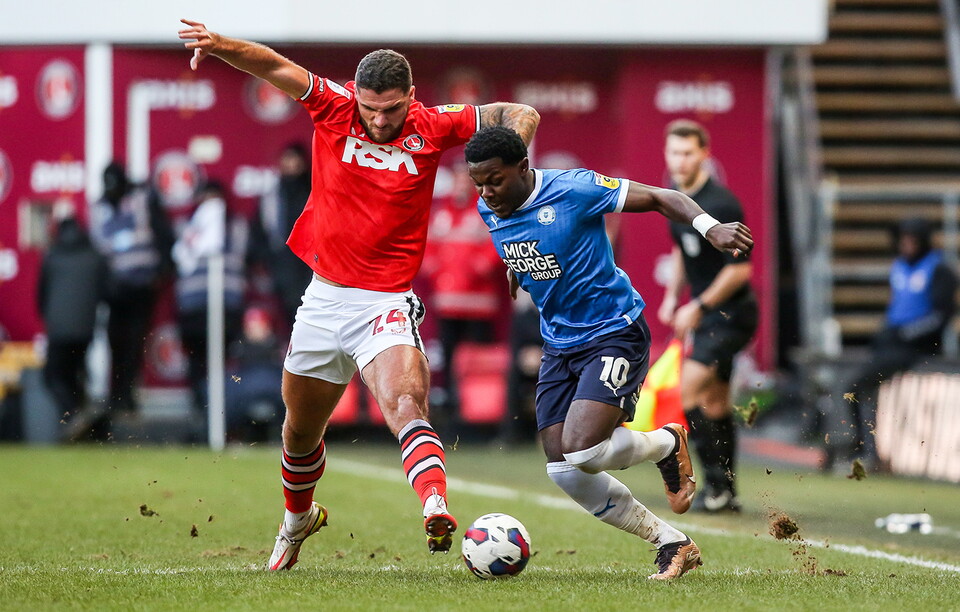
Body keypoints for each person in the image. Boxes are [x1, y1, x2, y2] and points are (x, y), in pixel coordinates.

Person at [178, 19, 540, 569]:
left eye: (391, 109)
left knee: (405, 405)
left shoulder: (436, 123)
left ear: (411, 98)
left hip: (386, 301)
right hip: (323, 298)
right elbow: (274, 66)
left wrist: (509, 177)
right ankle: (297, 520)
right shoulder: (334, 105)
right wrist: (220, 43)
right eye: (370, 107)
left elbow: (522, 115)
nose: (378, 119)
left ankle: (435, 505)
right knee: (299, 431)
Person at [464, 126, 753, 579]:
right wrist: (516, 267)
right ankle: (672, 542)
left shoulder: (574, 189)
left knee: (582, 451)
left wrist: (709, 226)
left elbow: (660, 197)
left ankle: (666, 442)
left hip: (613, 331)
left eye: (495, 180)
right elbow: (519, 244)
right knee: (563, 469)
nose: (486, 192)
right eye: (477, 183)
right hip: (559, 343)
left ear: (523, 168)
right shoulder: (489, 206)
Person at [656, 119, 756, 513]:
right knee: (715, 403)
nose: (679, 160)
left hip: (732, 315)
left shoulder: (722, 203)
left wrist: (697, 305)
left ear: (704, 155)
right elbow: (682, 249)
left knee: (688, 391)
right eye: (673, 152)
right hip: (710, 315)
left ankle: (714, 487)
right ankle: (726, 492)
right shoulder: (677, 199)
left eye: (687, 152)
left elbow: (741, 269)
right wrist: (671, 295)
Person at [830, 217, 957, 470]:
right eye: (903, 239)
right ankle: (863, 449)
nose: (906, 245)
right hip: (894, 343)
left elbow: (942, 315)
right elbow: (898, 306)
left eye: (911, 240)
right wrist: (887, 332)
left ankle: (862, 448)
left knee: (856, 387)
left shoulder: (939, 270)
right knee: (858, 389)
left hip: (917, 347)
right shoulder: (899, 267)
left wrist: (908, 333)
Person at [421, 163, 503, 430]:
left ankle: (480, 414)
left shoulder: (484, 211)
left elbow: (496, 244)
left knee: (479, 361)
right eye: (456, 179)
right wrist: (433, 269)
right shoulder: (441, 212)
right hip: (447, 300)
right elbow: (428, 244)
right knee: (449, 356)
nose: (460, 185)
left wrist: (481, 266)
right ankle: (452, 411)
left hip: (479, 302)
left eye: (465, 180)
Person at [90, 162, 174, 419]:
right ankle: (117, 396)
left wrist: (160, 273)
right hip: (114, 290)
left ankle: (127, 396)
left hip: (141, 288)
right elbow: (98, 251)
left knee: (134, 343)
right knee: (115, 342)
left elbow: (163, 236)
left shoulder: (141, 200)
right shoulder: (99, 208)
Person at [171, 180, 248, 417]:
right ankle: (201, 411)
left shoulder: (237, 226)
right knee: (197, 361)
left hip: (226, 304)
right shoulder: (186, 226)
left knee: (223, 362)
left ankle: (224, 413)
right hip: (194, 305)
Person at [37, 213, 109, 438]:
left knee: (53, 376)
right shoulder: (95, 256)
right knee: (75, 374)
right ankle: (82, 421)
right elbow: (107, 291)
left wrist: (51, 317)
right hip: (85, 329)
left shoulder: (52, 256)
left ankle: (75, 414)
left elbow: (41, 295)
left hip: (59, 329)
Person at [249, 143, 313, 329]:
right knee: (292, 320)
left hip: (314, 265)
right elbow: (260, 232)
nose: (290, 164)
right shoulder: (272, 196)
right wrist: (269, 261)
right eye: (287, 159)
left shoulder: (316, 190)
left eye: (295, 159)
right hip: (284, 267)